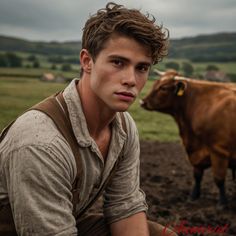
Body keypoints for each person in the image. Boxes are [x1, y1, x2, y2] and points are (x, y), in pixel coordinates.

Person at [0, 2, 177, 236]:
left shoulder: (123, 127)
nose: (131, 79)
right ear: (87, 61)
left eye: (142, 68)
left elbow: (124, 205)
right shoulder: (40, 142)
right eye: (118, 62)